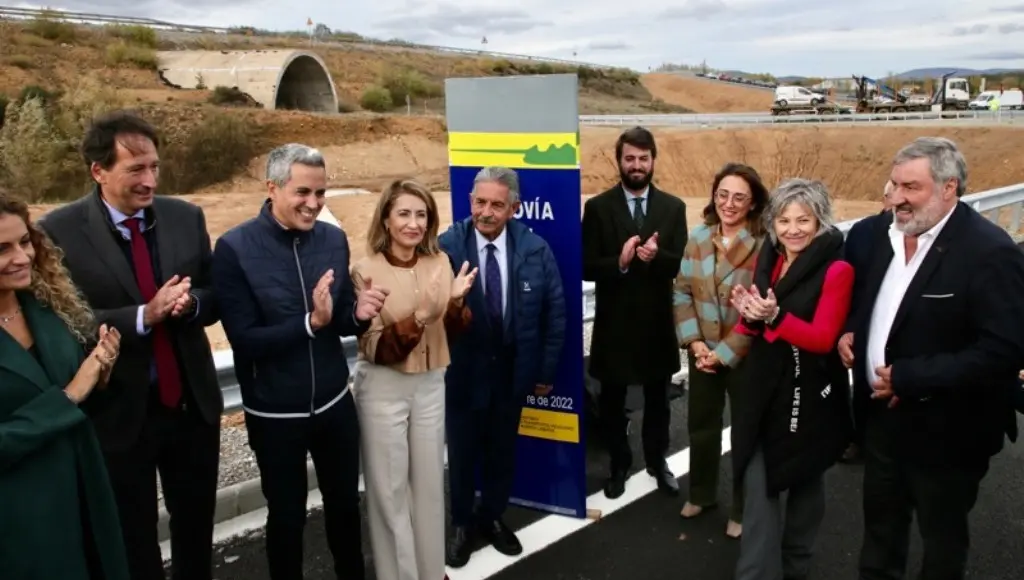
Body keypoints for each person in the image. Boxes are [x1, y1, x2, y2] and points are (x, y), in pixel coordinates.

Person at [37, 111, 223, 580]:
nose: (150, 180)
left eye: (154, 167)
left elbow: (214, 292)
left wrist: (191, 304)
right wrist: (144, 315)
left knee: (197, 531)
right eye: (136, 169)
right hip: (120, 414)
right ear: (98, 171)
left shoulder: (185, 216)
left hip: (190, 407)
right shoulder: (58, 232)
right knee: (132, 539)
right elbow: (64, 321)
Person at [849, 137, 1024, 580]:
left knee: (941, 542)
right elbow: (871, 302)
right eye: (895, 184)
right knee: (880, 535)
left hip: (950, 432)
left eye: (912, 187)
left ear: (949, 188)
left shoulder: (989, 251)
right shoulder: (881, 236)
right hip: (882, 424)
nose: (899, 198)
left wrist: (910, 376)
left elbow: (1004, 350)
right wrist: (853, 331)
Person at [211, 143, 387, 580]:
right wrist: (310, 323)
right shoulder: (234, 248)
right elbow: (246, 341)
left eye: (321, 193)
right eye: (303, 192)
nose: (314, 204)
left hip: (333, 404)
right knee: (287, 518)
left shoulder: (331, 238)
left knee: (346, 506)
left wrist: (359, 315)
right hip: (274, 413)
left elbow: (342, 317)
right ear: (272, 188)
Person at [439, 167, 567, 567]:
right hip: (462, 370)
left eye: (497, 204)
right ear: (470, 202)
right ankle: (461, 524)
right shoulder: (446, 246)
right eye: (480, 203)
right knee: (461, 454)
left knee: (501, 451)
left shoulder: (535, 248)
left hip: (512, 369)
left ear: (514, 207)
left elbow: (555, 314)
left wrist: (544, 371)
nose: (487, 212)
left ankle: (491, 517)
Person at [350, 178, 477, 580]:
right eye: (404, 213)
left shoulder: (440, 262)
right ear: (386, 219)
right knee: (389, 493)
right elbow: (374, 347)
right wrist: (420, 317)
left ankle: (430, 571)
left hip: (431, 385)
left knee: (427, 490)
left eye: (421, 214)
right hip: (384, 388)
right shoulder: (365, 270)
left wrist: (455, 303)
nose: (414, 223)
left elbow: (450, 333)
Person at [729, 178, 855, 580]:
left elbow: (822, 338)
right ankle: (758, 573)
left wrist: (773, 317)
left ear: (821, 221)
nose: (793, 229)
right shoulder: (770, 260)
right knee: (759, 475)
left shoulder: (838, 268)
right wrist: (749, 317)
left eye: (804, 219)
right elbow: (755, 330)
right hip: (765, 389)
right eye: (783, 220)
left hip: (811, 394)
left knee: (806, 479)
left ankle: (797, 565)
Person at [0, 192, 128, 580]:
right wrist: (70, 394)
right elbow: (67, 396)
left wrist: (100, 374)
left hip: (82, 491)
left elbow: (81, 398)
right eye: (2, 249)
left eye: (24, 242)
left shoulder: (45, 307)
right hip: (19, 517)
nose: (22, 257)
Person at [582, 126, 688, 499]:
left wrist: (658, 257)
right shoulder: (597, 208)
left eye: (643, 158)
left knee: (659, 403)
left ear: (653, 160)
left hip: (657, 325)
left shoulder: (673, 208)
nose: (637, 165)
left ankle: (658, 462)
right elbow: (585, 265)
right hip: (614, 326)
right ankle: (619, 464)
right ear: (619, 161)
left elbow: (681, 265)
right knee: (612, 402)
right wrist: (621, 262)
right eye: (630, 158)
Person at [672, 163, 769, 539]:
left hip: (744, 354)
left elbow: (763, 305)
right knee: (701, 426)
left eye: (739, 197)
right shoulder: (698, 237)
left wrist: (724, 352)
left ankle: (743, 509)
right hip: (702, 353)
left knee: (746, 431)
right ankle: (701, 493)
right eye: (723, 195)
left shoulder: (764, 244)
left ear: (753, 202)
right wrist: (695, 343)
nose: (729, 203)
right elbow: (681, 290)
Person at [837, 181, 893, 464]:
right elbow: (847, 286)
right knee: (863, 386)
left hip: (901, 331)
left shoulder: (928, 237)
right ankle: (859, 439)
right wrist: (848, 327)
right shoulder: (863, 232)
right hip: (862, 326)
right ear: (884, 198)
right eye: (893, 194)